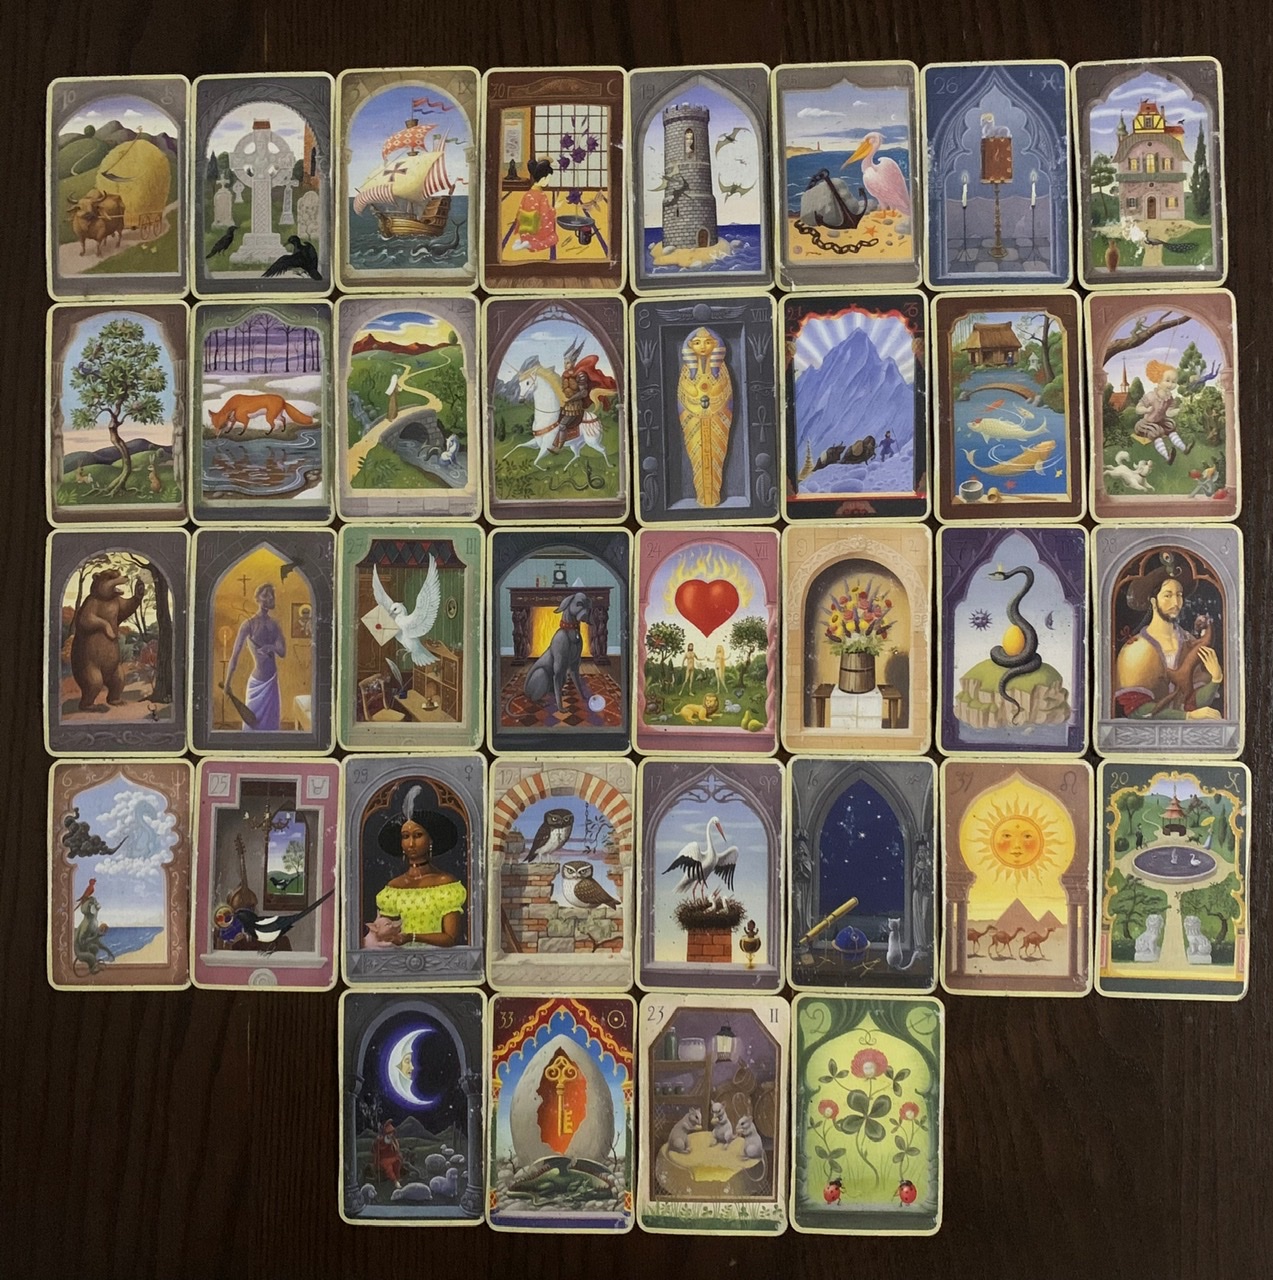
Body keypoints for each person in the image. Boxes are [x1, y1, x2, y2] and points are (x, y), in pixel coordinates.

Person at [1114, 551, 1222, 719]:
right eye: (1168, 595)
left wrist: (1216, 679)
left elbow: (1193, 702)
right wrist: (1186, 717)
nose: (1176, 603)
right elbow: (1138, 711)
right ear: (1153, 601)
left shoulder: (1189, 641)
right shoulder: (1135, 649)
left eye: (1179, 595)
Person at [371, 784, 465, 947]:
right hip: (398, 958)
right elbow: (384, 934)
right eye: (405, 836)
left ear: (430, 840)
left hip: (438, 958)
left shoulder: (445, 884)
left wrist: (411, 937)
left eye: (418, 835)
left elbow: (450, 938)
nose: (411, 843)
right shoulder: (394, 888)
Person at [224, 583, 286, 732]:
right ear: (257, 599)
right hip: (257, 685)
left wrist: (270, 647)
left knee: (271, 727)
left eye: (271, 595)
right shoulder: (248, 625)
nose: (269, 598)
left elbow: (282, 652)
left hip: (272, 683)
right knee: (252, 727)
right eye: (265, 595)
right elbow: (235, 656)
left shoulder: (274, 625)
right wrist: (227, 683)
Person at [1133, 360, 1193, 466]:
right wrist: (1146, 410)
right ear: (1158, 380)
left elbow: (1169, 413)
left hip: (1160, 421)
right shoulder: (1151, 396)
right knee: (1156, 431)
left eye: (1174, 382)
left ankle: (1184, 448)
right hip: (1147, 424)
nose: (1171, 384)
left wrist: (1178, 410)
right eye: (1167, 380)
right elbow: (1138, 408)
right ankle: (1167, 457)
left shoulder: (1169, 398)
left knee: (1170, 426)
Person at [510, 157, 558, 255]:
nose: (548, 181)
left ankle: (522, 241)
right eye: (548, 178)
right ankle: (530, 245)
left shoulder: (527, 194)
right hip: (537, 232)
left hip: (525, 230)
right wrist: (554, 209)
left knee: (529, 234)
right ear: (543, 179)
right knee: (554, 238)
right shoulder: (542, 196)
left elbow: (519, 213)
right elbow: (545, 216)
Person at [373, 1120, 403, 1189]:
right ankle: (395, 1181)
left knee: (397, 1162)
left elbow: (396, 1150)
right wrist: (377, 1142)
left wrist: (398, 1154)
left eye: (392, 1133)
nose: (391, 1134)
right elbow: (376, 1148)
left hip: (393, 1157)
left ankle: (397, 1178)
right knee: (388, 1166)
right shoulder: (381, 1140)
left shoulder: (393, 1140)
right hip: (384, 1159)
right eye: (390, 1133)